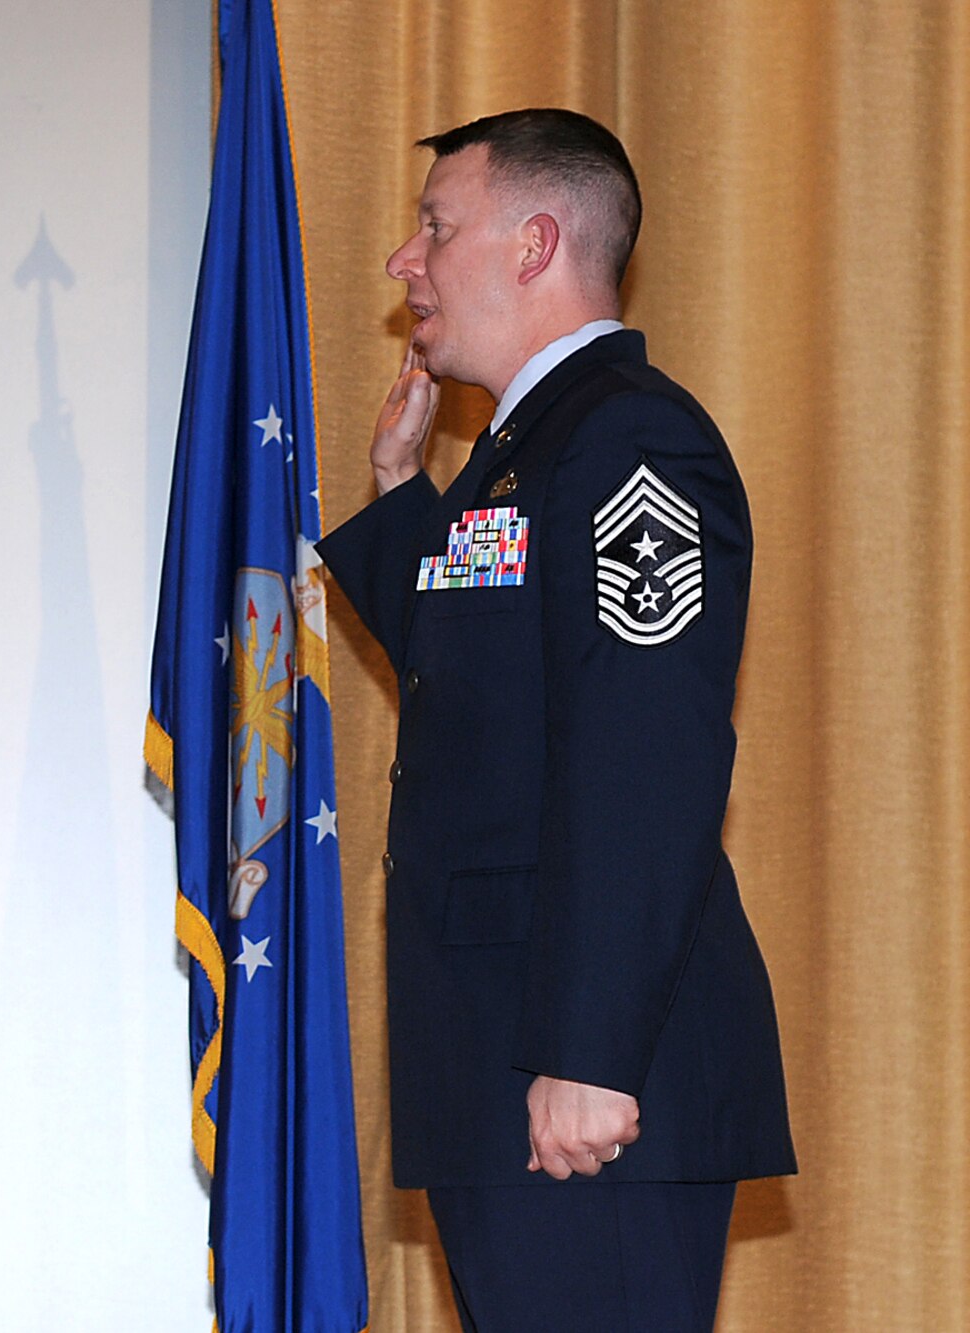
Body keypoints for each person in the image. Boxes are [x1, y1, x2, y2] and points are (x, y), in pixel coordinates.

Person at [315, 109, 795, 1331]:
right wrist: (394, 501)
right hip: (508, 1055)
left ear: (533, 244)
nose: (401, 262)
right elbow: (477, 693)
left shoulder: (629, 438)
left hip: (585, 1074)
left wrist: (586, 1051)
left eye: (434, 226)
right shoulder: (527, 451)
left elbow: (647, 753)